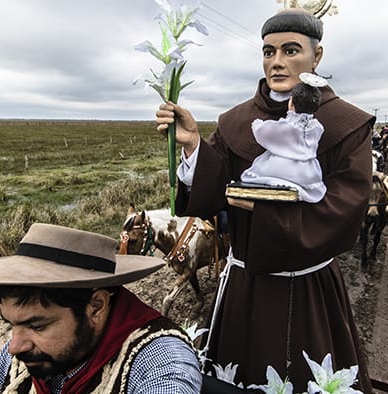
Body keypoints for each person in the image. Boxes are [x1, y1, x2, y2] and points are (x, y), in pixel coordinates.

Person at [155, 7, 374, 392]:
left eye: (291, 51)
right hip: (244, 282)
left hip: (308, 289)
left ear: (316, 56)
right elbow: (215, 184)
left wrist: (268, 211)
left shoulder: (346, 124)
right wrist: (192, 146)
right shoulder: (236, 121)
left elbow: (346, 207)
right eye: (268, 51)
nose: (276, 62)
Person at [0, 223, 202, 393]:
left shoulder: (158, 362)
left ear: (95, 306)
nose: (14, 346)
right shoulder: (15, 358)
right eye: (10, 324)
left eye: (36, 325)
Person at [240, 73, 328, 203]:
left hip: (284, 168)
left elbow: (266, 132)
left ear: (291, 102)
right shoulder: (316, 126)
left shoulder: (288, 125)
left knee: (263, 173)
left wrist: (257, 124)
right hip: (308, 172)